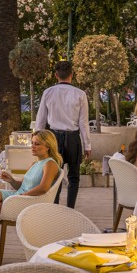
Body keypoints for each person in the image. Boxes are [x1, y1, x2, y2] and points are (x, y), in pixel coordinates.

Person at [0, 130, 62, 268]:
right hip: (18, 196)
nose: (33, 146)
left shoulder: (50, 164)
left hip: (26, 202)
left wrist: (22, 196)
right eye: (32, 143)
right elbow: (25, 185)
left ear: (48, 146)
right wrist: (12, 180)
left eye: (37, 144)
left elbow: (43, 188)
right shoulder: (34, 164)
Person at [33, 60, 91, 209]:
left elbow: (40, 120)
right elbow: (84, 123)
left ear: (56, 75)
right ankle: (70, 209)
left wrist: (37, 141)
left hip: (53, 139)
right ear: (72, 75)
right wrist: (87, 145)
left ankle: (55, 208)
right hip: (73, 138)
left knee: (55, 176)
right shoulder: (80, 94)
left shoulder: (48, 92)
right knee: (73, 177)